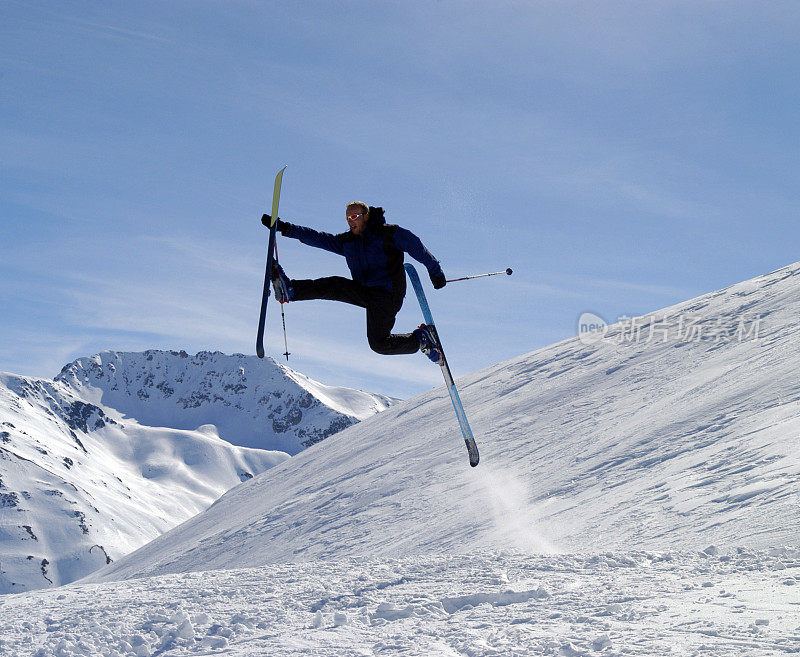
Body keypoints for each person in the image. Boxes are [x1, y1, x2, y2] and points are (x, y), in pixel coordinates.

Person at [261, 202, 446, 364]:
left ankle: (422, 339)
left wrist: (435, 271)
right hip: (365, 291)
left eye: (355, 216)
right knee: (334, 285)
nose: (351, 221)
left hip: (387, 295)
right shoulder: (348, 241)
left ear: (366, 216)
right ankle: (290, 290)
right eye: (347, 217)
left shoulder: (388, 234)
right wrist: (285, 228)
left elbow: (417, 247)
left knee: (378, 344)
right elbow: (319, 238)